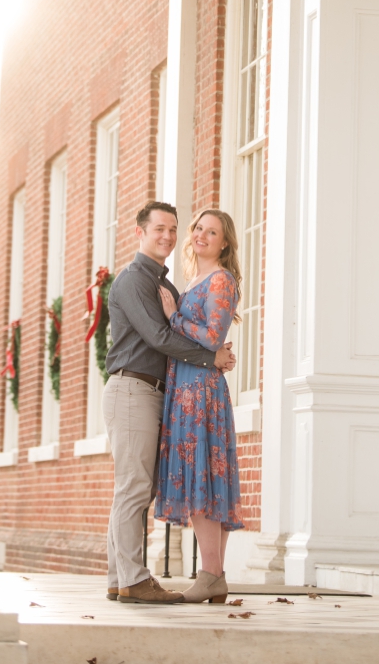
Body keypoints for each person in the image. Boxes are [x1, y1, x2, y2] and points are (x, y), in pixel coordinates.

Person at [102, 201, 235, 605]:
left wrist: (203, 350)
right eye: (159, 228)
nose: (168, 236)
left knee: (135, 487)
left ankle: (119, 577)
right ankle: (134, 579)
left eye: (173, 229)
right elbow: (160, 338)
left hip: (158, 392)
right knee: (134, 487)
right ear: (139, 232)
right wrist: (210, 358)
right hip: (132, 389)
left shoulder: (168, 284)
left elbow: (189, 330)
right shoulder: (132, 281)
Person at [154, 209, 245, 604]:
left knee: (202, 481)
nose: (202, 236)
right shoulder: (194, 280)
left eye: (213, 232)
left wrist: (173, 316)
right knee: (202, 479)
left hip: (201, 393)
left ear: (224, 243)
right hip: (187, 387)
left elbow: (211, 337)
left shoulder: (221, 280)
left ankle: (210, 574)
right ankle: (215, 576)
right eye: (199, 229)